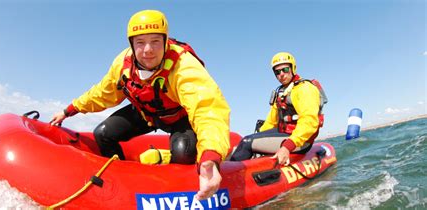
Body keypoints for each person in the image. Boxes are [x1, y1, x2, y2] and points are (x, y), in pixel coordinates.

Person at [50, 10, 230, 200]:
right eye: (140, 42)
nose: (148, 50)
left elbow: (208, 108)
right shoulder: (122, 64)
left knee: (183, 152)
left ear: (165, 41)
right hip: (147, 115)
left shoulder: (184, 65)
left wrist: (211, 156)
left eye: (155, 41)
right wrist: (68, 110)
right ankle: (118, 181)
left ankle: (165, 159)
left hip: (180, 118)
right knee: (102, 134)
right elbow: (103, 93)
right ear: (131, 44)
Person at [230, 52, 327, 165]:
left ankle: (229, 176)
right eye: (277, 72)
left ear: (292, 68)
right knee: (247, 140)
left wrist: (287, 147)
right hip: (285, 134)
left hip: (301, 141)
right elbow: (271, 122)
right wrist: (257, 136)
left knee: (247, 142)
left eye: (285, 69)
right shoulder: (281, 93)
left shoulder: (304, 89)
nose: (281, 74)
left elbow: (309, 122)